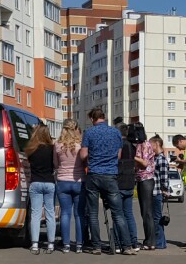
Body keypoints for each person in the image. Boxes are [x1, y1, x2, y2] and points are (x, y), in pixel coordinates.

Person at [79, 108, 129, 255]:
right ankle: (126, 246)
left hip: (94, 174)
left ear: (92, 119)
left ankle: (96, 246)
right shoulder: (116, 132)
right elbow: (119, 156)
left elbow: (83, 155)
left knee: (93, 213)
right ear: (104, 117)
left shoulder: (89, 132)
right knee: (118, 213)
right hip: (110, 176)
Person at [24, 123, 58, 254]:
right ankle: (50, 245)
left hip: (35, 182)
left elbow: (28, 162)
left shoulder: (31, 149)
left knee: (36, 214)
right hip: (49, 183)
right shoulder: (52, 148)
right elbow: (55, 164)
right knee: (50, 213)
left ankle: (35, 245)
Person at [54, 119, 84, 253]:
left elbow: (55, 164)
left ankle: (66, 244)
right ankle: (79, 245)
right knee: (79, 214)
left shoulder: (57, 144)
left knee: (65, 214)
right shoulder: (80, 145)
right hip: (78, 181)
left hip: (62, 182)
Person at [116, 123, 142, 253]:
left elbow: (116, 159)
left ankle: (119, 242)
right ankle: (134, 241)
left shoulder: (119, 145)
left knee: (118, 214)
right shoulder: (133, 146)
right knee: (129, 214)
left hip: (120, 181)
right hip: (130, 182)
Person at [149, 135, 178, 250]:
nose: (149, 147)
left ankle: (160, 242)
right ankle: (158, 240)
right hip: (154, 191)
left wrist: (165, 190)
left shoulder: (161, 159)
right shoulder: (155, 158)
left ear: (156, 144)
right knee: (155, 217)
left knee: (157, 218)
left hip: (157, 192)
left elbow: (164, 177)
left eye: (151, 145)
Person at [134, 129, 159, 251]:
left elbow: (144, 163)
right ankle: (150, 240)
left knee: (146, 212)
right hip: (146, 179)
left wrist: (134, 157)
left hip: (145, 179)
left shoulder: (142, 145)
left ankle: (150, 241)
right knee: (147, 212)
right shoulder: (147, 144)